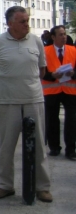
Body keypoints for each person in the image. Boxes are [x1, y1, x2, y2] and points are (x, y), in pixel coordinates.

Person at [0, 6, 52, 203]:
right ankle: (5, 185)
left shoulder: (36, 41)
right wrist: (8, 84)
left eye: (27, 20)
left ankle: (42, 187)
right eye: (22, 21)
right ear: (11, 23)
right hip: (7, 101)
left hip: (33, 98)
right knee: (6, 145)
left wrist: (27, 84)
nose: (27, 24)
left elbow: (41, 70)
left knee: (39, 144)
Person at [42, 25, 76, 160]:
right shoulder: (45, 51)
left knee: (72, 121)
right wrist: (52, 75)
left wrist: (73, 74)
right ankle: (54, 147)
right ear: (53, 37)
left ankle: (71, 149)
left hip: (70, 90)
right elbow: (40, 71)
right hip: (52, 89)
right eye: (61, 34)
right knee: (52, 120)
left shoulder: (74, 50)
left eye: (65, 34)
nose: (64, 37)